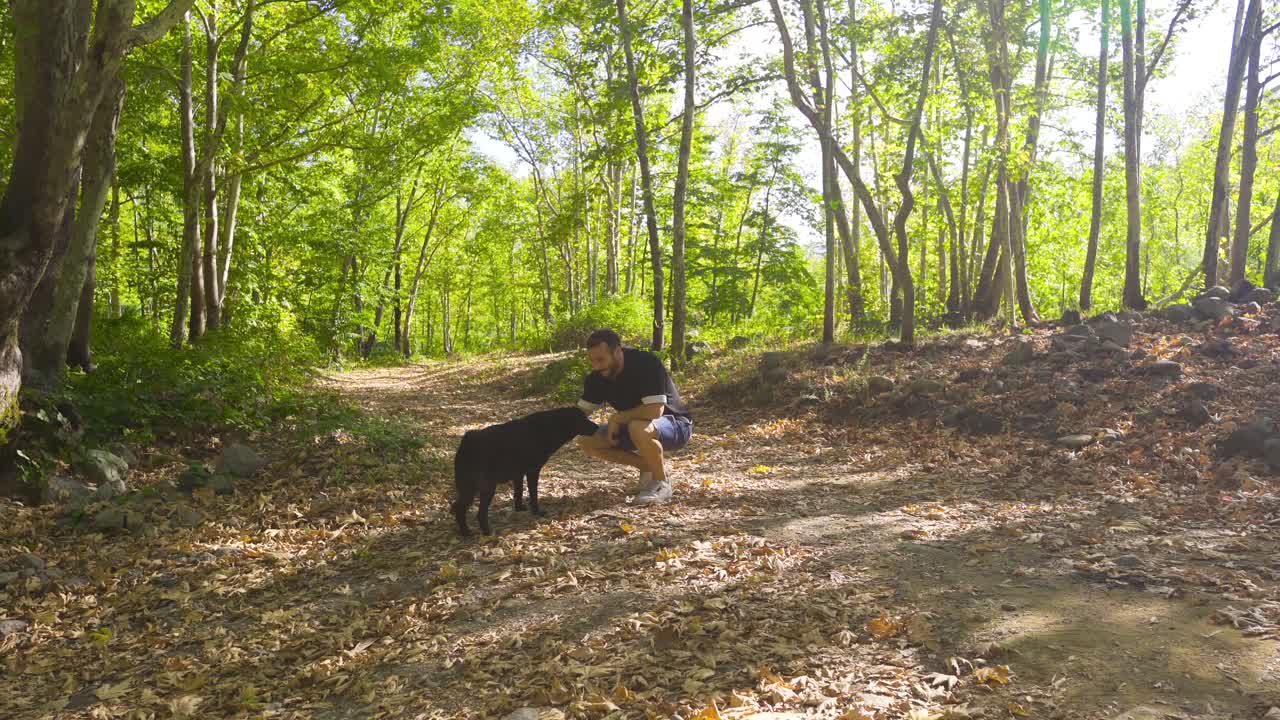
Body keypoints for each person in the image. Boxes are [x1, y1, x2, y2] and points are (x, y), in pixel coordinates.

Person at [575, 329, 693, 505]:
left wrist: (617, 419)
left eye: (601, 359)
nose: (596, 366)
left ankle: (662, 483)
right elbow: (576, 416)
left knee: (638, 426)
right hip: (634, 428)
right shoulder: (597, 377)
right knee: (585, 439)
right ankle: (647, 466)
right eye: (592, 360)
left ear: (617, 351)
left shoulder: (646, 364)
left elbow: (654, 411)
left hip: (676, 425)